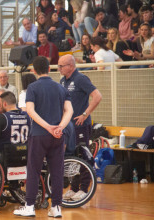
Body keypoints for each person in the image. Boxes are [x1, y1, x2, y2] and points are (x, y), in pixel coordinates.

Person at [14, 56, 73, 217]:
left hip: (39, 134)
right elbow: (70, 111)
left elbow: (30, 111)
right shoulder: (61, 88)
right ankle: (56, 208)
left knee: (33, 170)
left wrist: (47, 127)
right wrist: (59, 127)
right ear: (49, 68)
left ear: (34, 70)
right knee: (57, 171)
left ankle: (30, 206)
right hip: (58, 135)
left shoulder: (32, 87)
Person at [59, 54, 102, 201]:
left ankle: (84, 189)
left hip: (81, 126)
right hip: (68, 127)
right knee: (72, 157)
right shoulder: (62, 80)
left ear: (70, 66)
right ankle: (74, 188)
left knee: (83, 156)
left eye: (61, 66)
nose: (58, 68)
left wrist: (85, 114)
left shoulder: (81, 79)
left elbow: (97, 96)